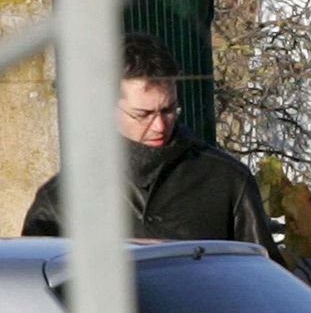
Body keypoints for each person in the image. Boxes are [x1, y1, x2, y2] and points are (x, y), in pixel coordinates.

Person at [23, 32, 280, 260]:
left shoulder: (227, 180)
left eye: (168, 110)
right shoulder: (62, 198)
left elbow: (267, 278)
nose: (159, 126)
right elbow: (36, 284)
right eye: (142, 115)